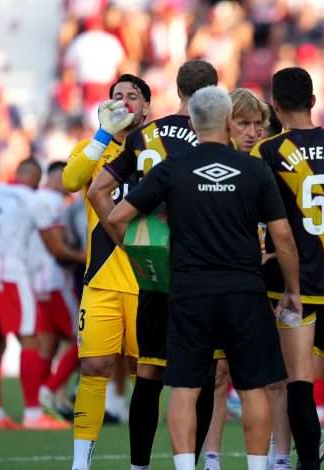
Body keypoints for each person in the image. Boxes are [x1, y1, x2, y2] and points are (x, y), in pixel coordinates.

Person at [107, 85, 298, 470]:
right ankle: (258, 466)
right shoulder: (255, 169)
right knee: (252, 386)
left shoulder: (171, 169)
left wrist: (148, 258)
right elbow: (282, 236)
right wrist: (293, 290)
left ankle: (184, 467)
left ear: (192, 123)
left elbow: (116, 217)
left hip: (189, 293)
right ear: (228, 121)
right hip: (244, 290)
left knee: (184, 386)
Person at [87, 60, 218, 470]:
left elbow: (97, 190)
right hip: (201, 267)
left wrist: (128, 243)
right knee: (205, 371)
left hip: (154, 269)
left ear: (177, 89)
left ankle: (138, 466)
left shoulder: (145, 135)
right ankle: (191, 464)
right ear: (212, 91)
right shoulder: (211, 136)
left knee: (149, 373)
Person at [250, 67, 324, 470]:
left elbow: (259, 216)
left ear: (275, 106)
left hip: (292, 284)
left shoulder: (267, 152)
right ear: (314, 101)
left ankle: (309, 465)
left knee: (299, 381)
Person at [62, 73, 150, 469]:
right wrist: (102, 135)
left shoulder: (158, 151)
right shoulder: (91, 148)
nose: (126, 101)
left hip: (147, 280)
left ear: (146, 106)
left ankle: (139, 462)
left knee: (144, 375)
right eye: (118, 96)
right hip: (100, 280)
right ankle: (81, 464)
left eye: (134, 96)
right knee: (94, 366)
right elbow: (70, 180)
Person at [202, 86, 270, 470]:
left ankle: (274, 457)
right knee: (218, 374)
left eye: (257, 124)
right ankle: (212, 459)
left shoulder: (265, 165)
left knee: (265, 378)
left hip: (263, 283)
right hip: (222, 283)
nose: (252, 132)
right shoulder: (213, 168)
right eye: (243, 124)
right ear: (226, 125)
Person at [0, 159, 76, 430]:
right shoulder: (33, 199)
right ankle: (33, 413)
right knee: (31, 340)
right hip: (14, 272)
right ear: (38, 179)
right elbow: (56, 248)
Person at [33, 161, 86, 417]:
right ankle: (48, 389)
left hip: (36, 281)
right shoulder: (52, 201)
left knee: (48, 342)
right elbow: (58, 246)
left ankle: (36, 404)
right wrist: (86, 257)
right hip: (55, 279)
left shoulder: (35, 199)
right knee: (83, 339)